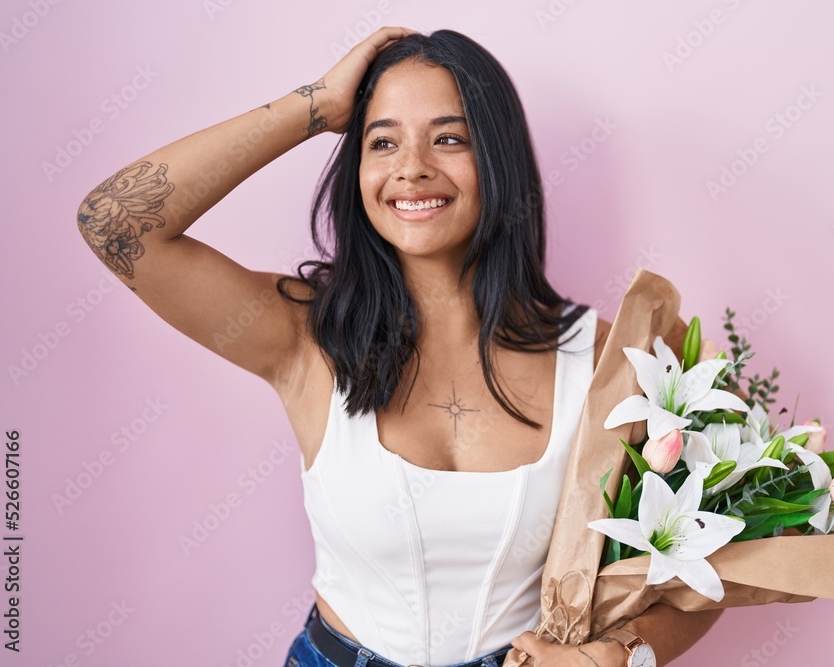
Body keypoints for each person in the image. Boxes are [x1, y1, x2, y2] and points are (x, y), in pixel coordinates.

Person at [76, 26, 723, 667]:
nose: (411, 168)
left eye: (448, 138)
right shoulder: (303, 336)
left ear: (497, 161)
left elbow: (710, 556)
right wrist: (316, 105)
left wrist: (624, 655)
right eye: (381, 141)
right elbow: (114, 222)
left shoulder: (612, 358)